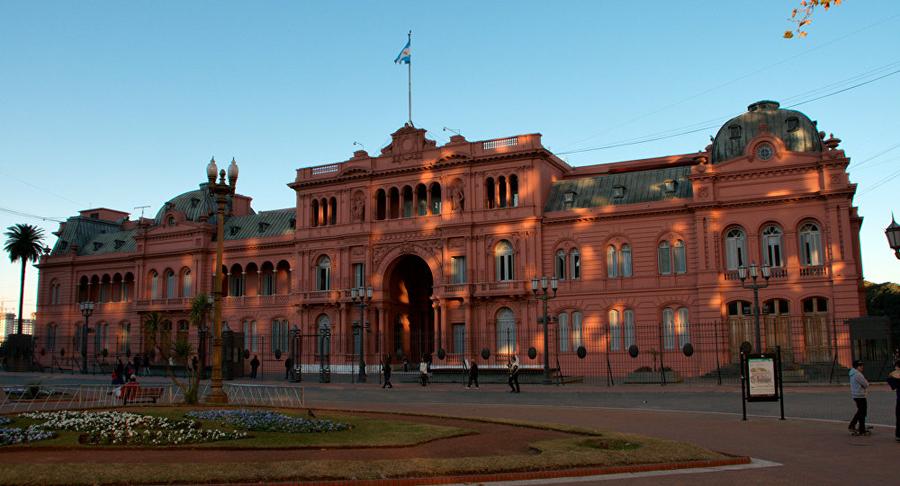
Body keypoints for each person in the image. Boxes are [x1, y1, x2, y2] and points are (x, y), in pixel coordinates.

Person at [848, 360, 870, 436]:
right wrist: (866, 383)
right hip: (860, 395)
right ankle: (860, 429)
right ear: (857, 367)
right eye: (860, 366)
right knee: (862, 413)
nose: (862, 367)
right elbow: (866, 384)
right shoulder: (858, 374)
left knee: (860, 412)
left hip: (855, 395)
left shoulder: (852, 373)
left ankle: (856, 426)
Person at [886, 359, 900, 443]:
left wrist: (892, 375)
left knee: (899, 417)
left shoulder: (894, 377)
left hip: (899, 400)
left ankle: (898, 435)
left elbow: (891, 383)